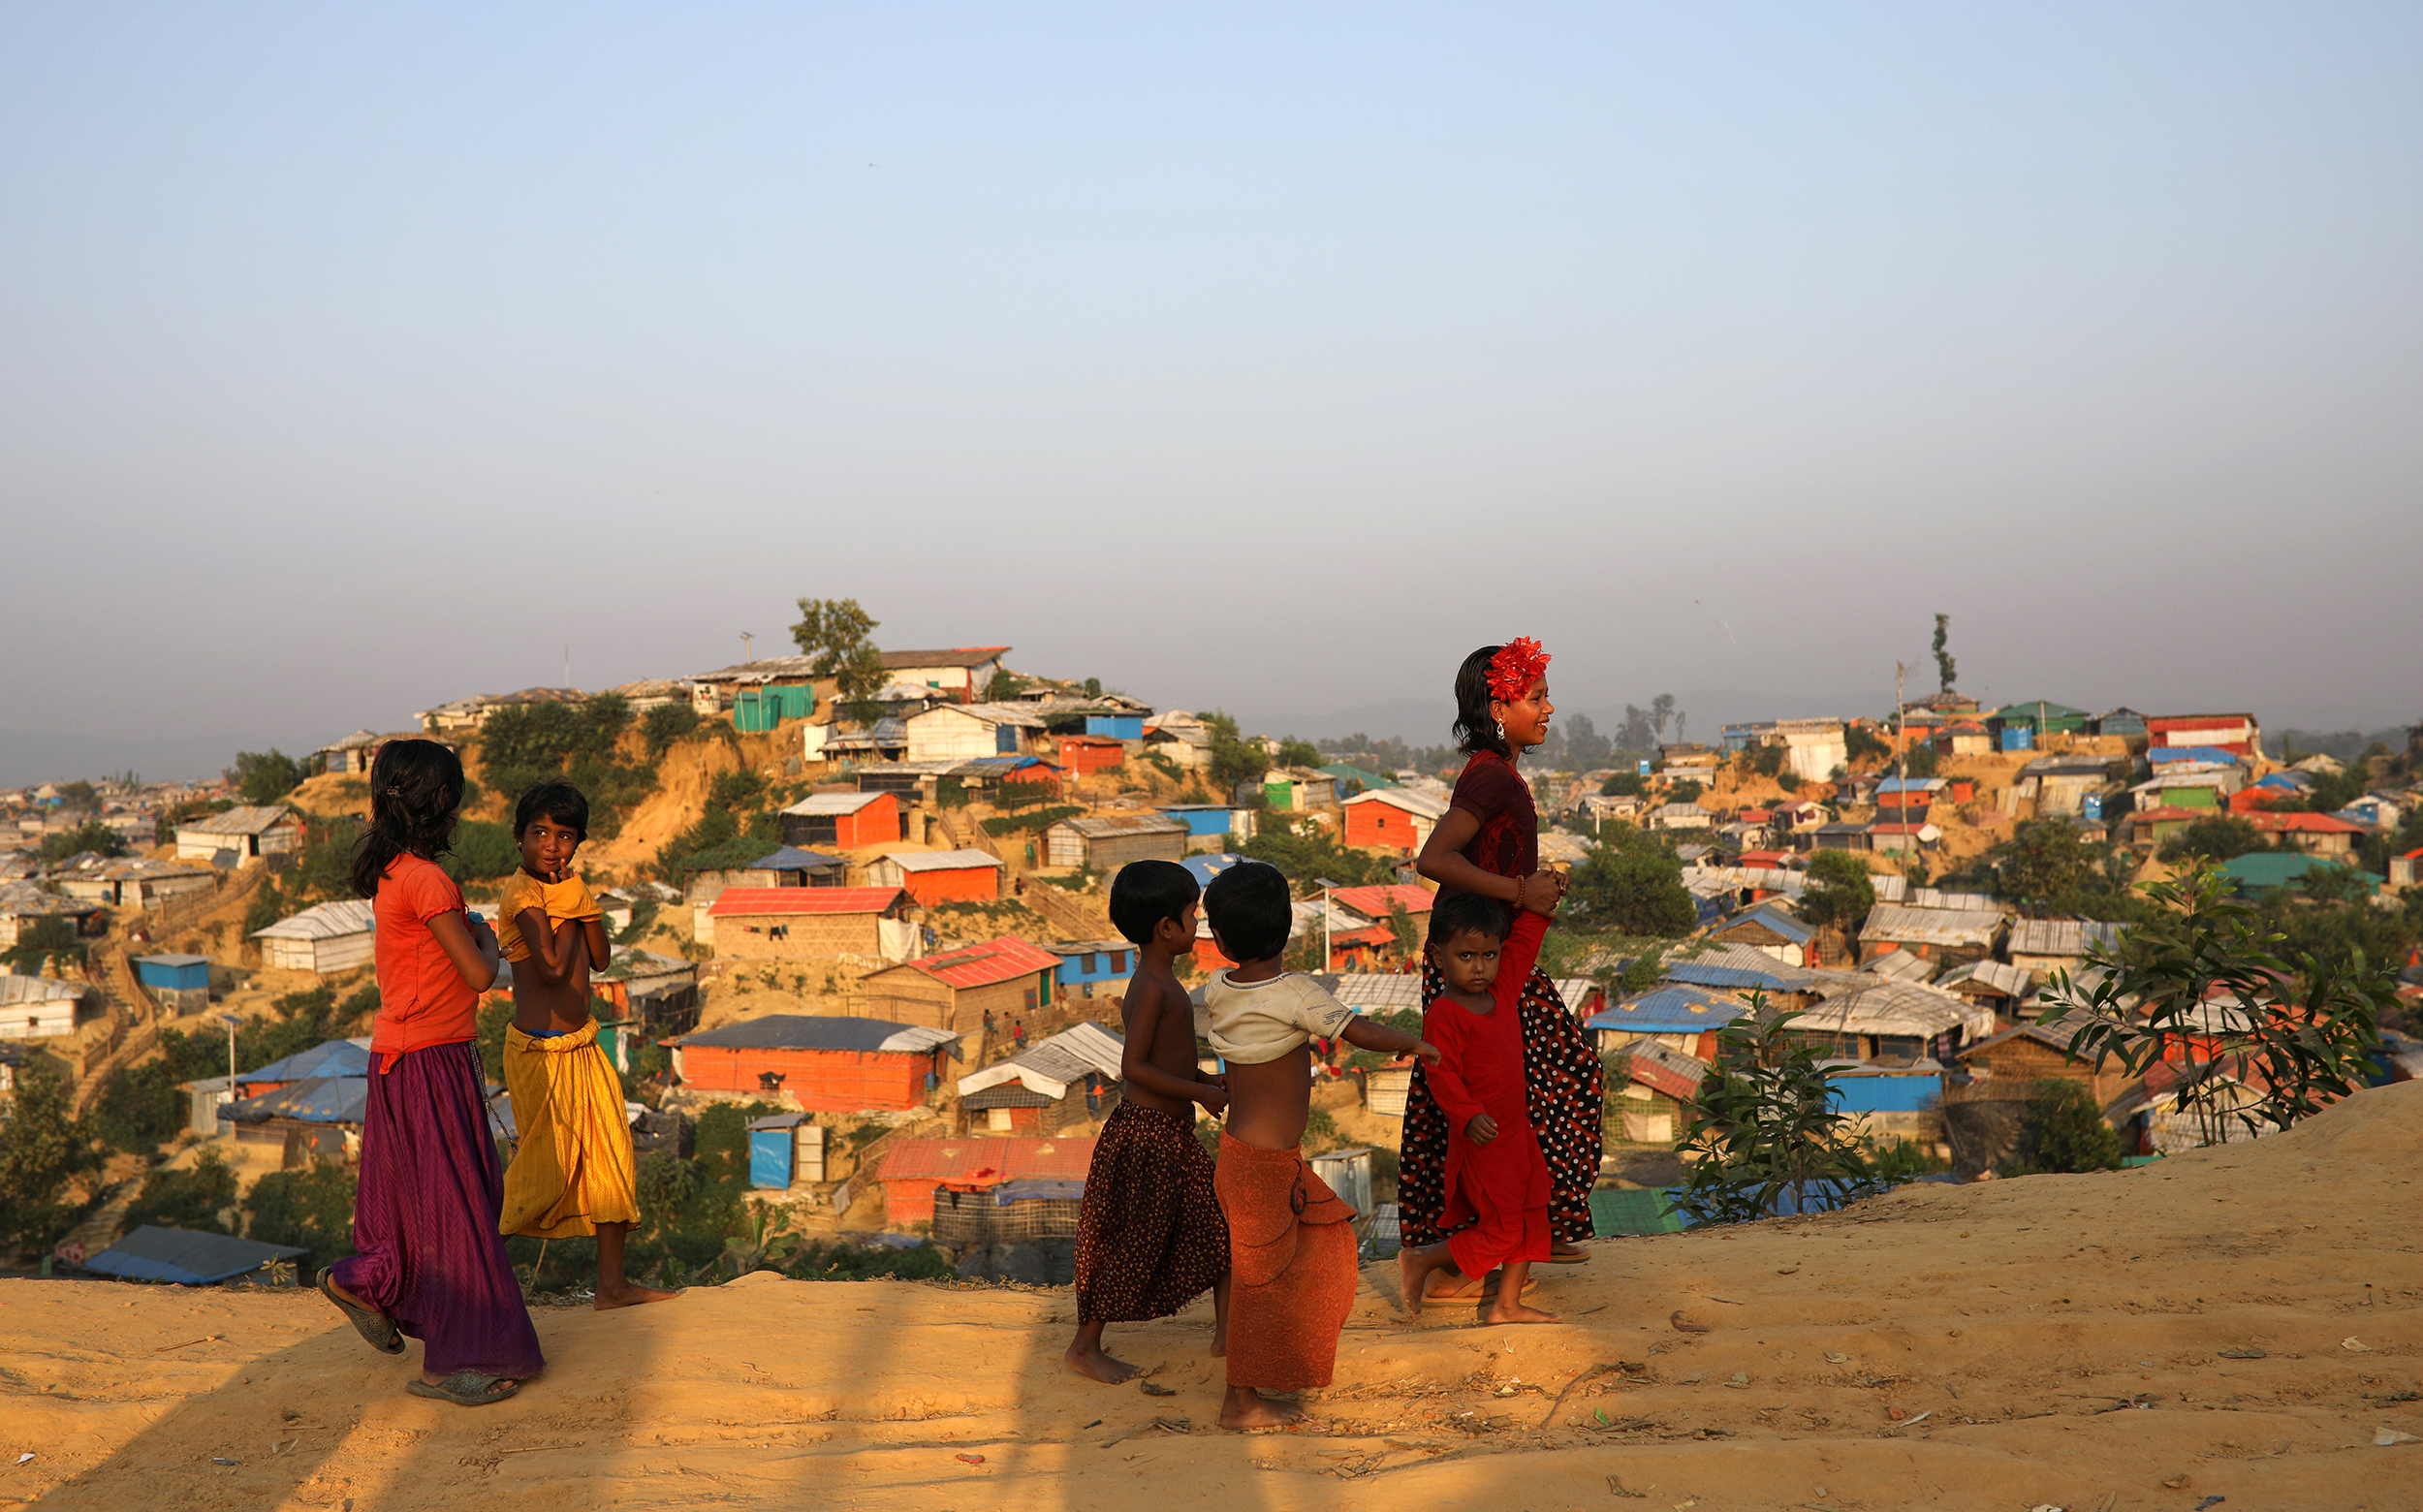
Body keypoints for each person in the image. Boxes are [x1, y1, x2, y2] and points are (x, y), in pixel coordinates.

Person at [317, 740, 543, 1406]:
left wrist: (464, 926)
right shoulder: (429, 880)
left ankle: (364, 1281)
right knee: (459, 1211)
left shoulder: (394, 871)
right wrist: (485, 936)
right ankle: (462, 1361)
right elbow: (477, 975)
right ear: (443, 806)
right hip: (431, 1059)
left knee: (421, 1207)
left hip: (399, 1056)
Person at [1200, 862, 1436, 1430]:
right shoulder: (1297, 993)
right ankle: (1241, 1399)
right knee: (1269, 1273)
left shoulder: (1217, 988)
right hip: (1264, 1165)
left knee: (1288, 1254)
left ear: (1223, 941)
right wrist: (1415, 1043)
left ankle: (1248, 1352)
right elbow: (1359, 1032)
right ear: (1289, 930)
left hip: (1243, 1158)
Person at [1402, 639, 1604, 1286]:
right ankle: (1525, 1231)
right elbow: (1434, 860)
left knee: (1507, 1096)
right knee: (1555, 1081)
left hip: (1486, 959)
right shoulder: (1491, 775)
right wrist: (1522, 893)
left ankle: (1526, 1232)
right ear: (1499, 705)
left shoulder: (1496, 771)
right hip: (1480, 967)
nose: (1549, 708)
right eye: (1536, 697)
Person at [494, 781, 678, 1311]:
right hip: (540, 1053)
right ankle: (459, 1276)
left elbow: (600, 959)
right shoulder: (523, 894)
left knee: (610, 1155)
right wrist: (571, 906)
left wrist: (582, 904)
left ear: (577, 843)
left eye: (564, 835)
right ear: (519, 837)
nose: (551, 845)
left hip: (581, 1044)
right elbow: (552, 970)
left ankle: (612, 1286)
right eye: (540, 833)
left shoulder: (570, 890)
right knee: (543, 1170)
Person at [1065, 860, 1231, 1384]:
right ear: (1167, 928)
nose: (1198, 924)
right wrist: (1202, 1092)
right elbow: (1133, 1068)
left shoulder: (1157, 980)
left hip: (1167, 1131)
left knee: (1219, 1226)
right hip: (1148, 1136)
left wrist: (1204, 1076)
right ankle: (1084, 1346)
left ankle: (1230, 1334)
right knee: (1130, 1241)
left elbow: (1165, 1060)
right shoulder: (1155, 987)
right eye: (1192, 915)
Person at [1396, 890, 1561, 1325]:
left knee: (1531, 1215)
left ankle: (1506, 1306)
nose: (1480, 966)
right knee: (1504, 1228)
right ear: (1438, 954)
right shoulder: (1445, 1014)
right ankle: (1423, 1260)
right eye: (1466, 955)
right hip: (1483, 1142)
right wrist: (1468, 1115)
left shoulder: (1502, 990)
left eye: (1489, 954)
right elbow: (1441, 1075)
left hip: (1517, 1134)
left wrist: (1539, 910)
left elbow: (1523, 946)